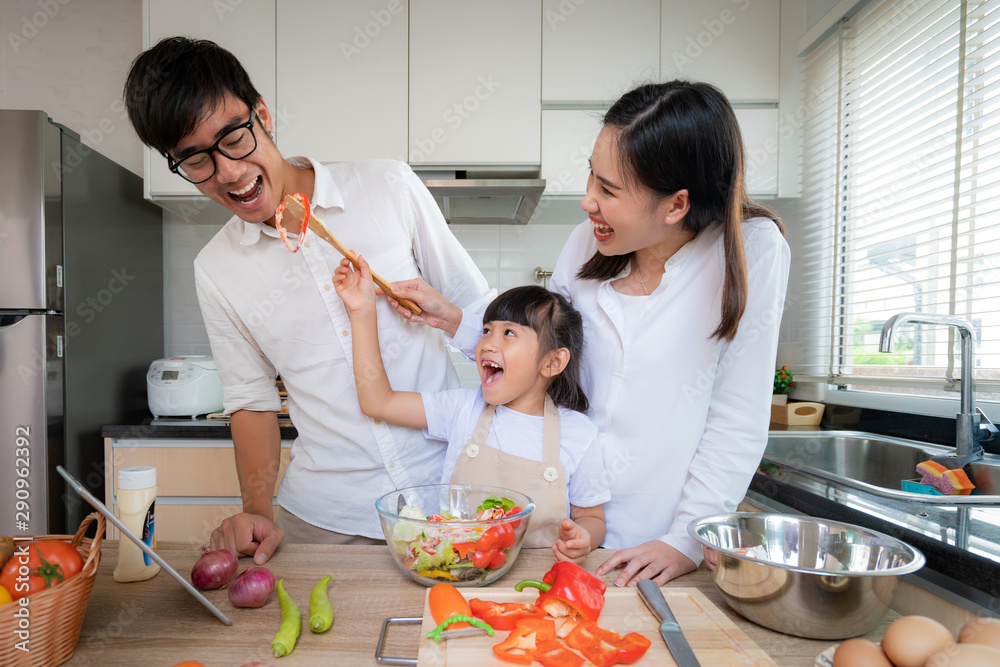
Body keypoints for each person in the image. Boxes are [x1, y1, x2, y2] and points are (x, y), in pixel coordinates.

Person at [383, 80, 791, 585]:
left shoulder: (752, 252)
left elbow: (737, 415)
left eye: (609, 190)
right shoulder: (586, 244)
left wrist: (685, 539)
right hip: (563, 533)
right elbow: (542, 353)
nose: (586, 202)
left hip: (656, 544)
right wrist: (455, 320)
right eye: (591, 178)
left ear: (675, 205)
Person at [123, 37, 494, 562]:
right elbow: (251, 401)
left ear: (263, 115)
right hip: (324, 522)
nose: (227, 172)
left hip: (451, 496)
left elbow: (482, 316)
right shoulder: (217, 269)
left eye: (233, 137)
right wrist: (257, 509)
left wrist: (451, 318)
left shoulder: (387, 186)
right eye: (195, 160)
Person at [335, 262, 610, 562]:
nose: (488, 343)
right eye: (487, 330)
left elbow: (592, 519)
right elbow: (378, 402)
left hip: (538, 582)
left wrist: (584, 538)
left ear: (553, 363)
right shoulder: (464, 408)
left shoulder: (579, 434)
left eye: (509, 333)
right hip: (457, 571)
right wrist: (362, 312)